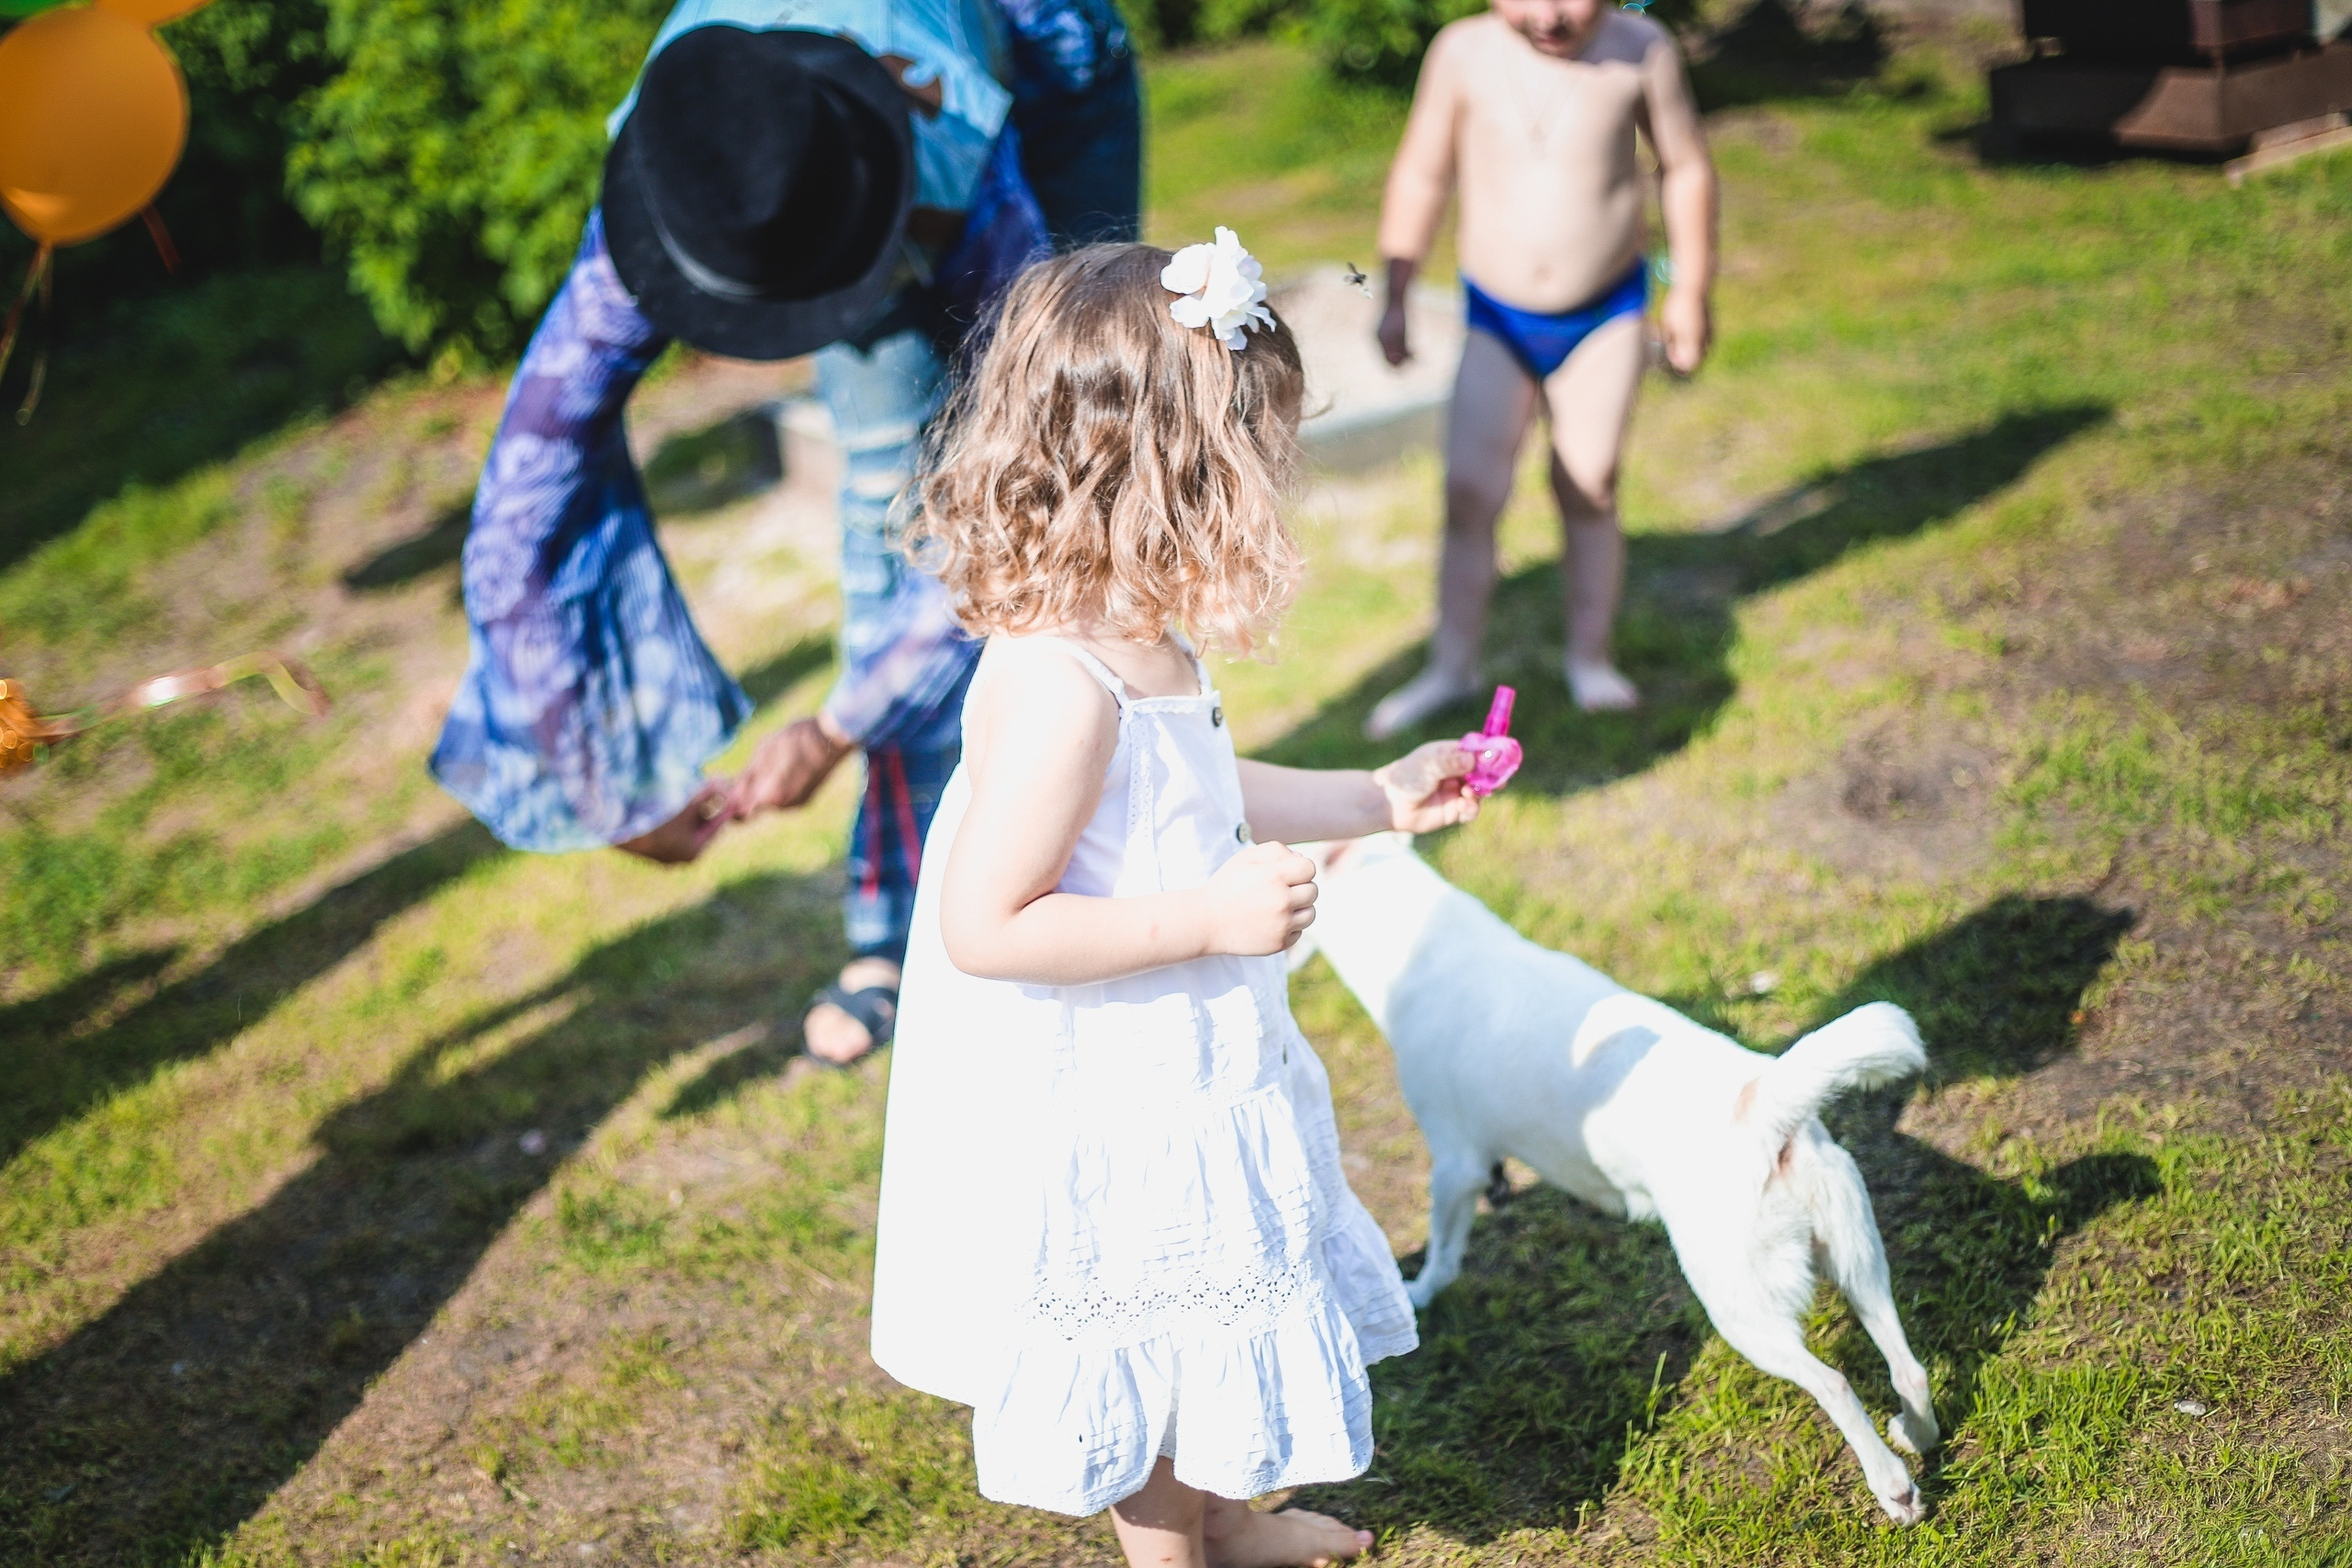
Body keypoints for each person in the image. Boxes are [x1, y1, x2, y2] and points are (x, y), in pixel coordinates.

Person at [869, 236, 1485, 1568]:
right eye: (1251, 455)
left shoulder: (1137, 627)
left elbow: (1197, 782)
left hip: (1178, 1044)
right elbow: (991, 926)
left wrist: (1373, 798)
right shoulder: (1058, 685)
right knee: (1145, 1333)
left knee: (1202, 1310)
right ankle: (1177, 1556)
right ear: (1167, 471)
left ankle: (1232, 1521)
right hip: (1111, 1078)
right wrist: (1206, 921)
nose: (1272, 484)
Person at [433, 2, 1128, 1066]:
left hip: (1039, 62)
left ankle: (1049, 853)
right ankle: (901, 926)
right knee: (895, 495)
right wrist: (603, 783)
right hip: (843, 174)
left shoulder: (968, 179)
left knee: (1083, 455)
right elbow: (517, 519)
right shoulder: (675, 173)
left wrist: (842, 721)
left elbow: (1029, 498)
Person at [1364, 0, 1717, 738]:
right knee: (1469, 487)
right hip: (1497, 315)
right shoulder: (1462, 52)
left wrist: (1688, 288)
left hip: (1604, 313)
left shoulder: (1640, 48)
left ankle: (1589, 658)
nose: (1549, 15)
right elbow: (1423, 173)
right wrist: (1396, 291)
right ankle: (1450, 664)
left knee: (1587, 481)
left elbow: (1683, 168)